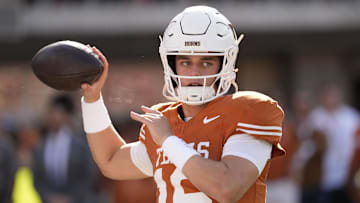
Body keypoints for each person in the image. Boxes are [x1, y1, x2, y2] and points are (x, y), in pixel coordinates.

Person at [81, 5, 285, 203]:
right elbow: (111, 161)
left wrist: (169, 141)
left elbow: (226, 188)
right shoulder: (164, 119)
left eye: (206, 62)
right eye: (186, 62)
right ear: (171, 64)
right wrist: (92, 99)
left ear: (226, 63)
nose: (195, 73)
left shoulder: (247, 111)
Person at [32, 94, 97, 203]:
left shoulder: (80, 145)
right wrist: (50, 197)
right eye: (50, 113)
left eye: (57, 112)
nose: (52, 117)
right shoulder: (40, 147)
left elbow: (87, 176)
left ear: (66, 115)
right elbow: (37, 179)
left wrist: (70, 198)